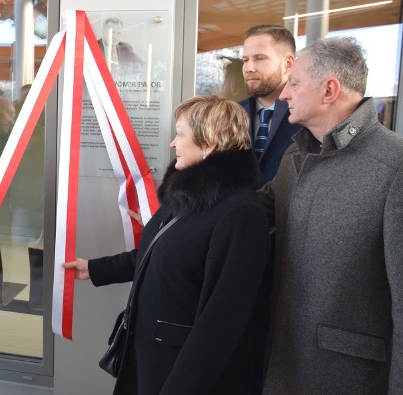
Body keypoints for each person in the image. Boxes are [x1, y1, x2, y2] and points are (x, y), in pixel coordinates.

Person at [65, 96, 271, 394]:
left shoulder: (241, 213)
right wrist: (95, 269)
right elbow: (156, 254)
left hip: (180, 375)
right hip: (151, 361)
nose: (173, 144)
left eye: (181, 134)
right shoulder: (187, 194)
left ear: (209, 143)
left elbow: (221, 320)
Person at [259, 37, 403, 393]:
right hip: (280, 364)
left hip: (347, 378)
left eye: (293, 83)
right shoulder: (296, 157)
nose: (283, 95)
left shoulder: (394, 165)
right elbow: (248, 214)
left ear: (329, 90)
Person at [241, 24, 301, 186]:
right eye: (245, 60)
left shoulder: (308, 117)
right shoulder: (229, 115)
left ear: (288, 64)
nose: (249, 68)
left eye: (259, 58)